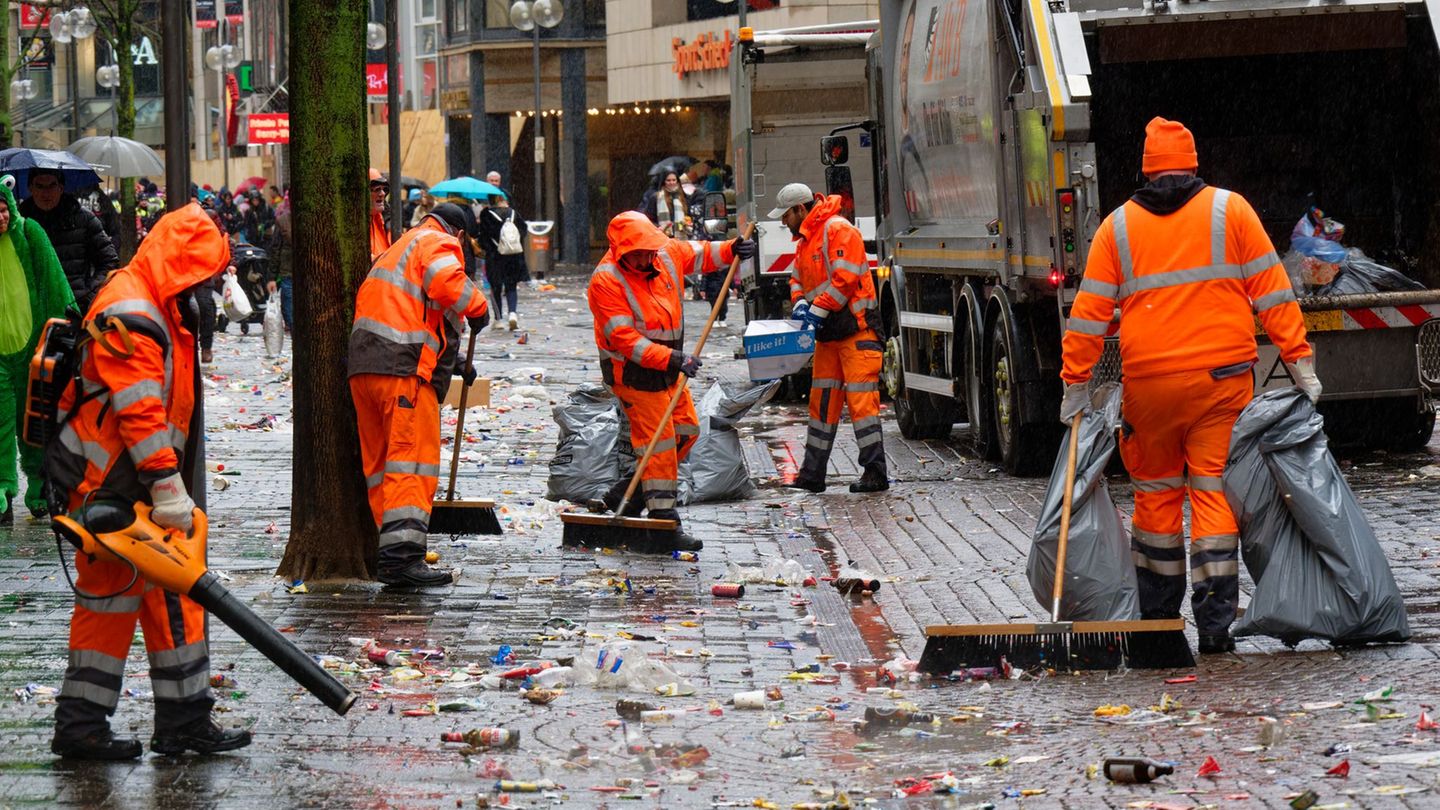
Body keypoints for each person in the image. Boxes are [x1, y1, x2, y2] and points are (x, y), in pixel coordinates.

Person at [1059, 117, 1317, 654]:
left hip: (1149, 387)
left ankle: (1158, 620)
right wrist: (1299, 360)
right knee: (1212, 492)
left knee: (1155, 494)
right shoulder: (1231, 211)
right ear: (1194, 164)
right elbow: (1273, 292)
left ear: (1146, 169)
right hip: (1221, 384)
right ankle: (1216, 625)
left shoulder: (1118, 228)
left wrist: (1075, 383)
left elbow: (1087, 316)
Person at [48, 203, 250, 760]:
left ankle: (174, 722)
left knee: (163, 602)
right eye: (201, 270)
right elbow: (138, 410)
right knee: (116, 602)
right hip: (113, 491)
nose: (205, 282)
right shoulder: (135, 310)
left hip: (122, 487)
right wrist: (167, 488)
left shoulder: (152, 301)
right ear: (181, 262)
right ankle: (90, 727)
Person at [585, 211, 755, 551]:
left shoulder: (664, 254)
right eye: (640, 253)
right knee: (659, 444)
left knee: (686, 431)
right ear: (621, 251)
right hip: (633, 374)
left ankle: (628, 492)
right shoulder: (606, 281)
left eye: (650, 250)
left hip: (666, 370)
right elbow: (624, 339)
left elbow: (700, 253)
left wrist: (732, 248)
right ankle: (663, 526)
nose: (648, 257)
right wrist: (674, 359)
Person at [348, 203, 490, 588]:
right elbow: (447, 284)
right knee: (411, 464)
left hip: (365, 370)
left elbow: (411, 314)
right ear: (459, 233)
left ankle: (391, 549)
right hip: (403, 374)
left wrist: (455, 360)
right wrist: (478, 308)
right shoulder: (437, 242)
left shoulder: (400, 247)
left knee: (381, 467)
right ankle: (401, 560)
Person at [775, 183, 888, 495]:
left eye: (786, 215)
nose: (783, 222)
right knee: (821, 405)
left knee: (862, 405)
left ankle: (875, 474)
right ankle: (811, 476)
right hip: (830, 335)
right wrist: (800, 303)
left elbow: (845, 280)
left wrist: (815, 312)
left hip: (857, 332)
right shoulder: (806, 240)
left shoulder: (838, 230)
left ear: (800, 209)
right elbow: (796, 278)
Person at [0, 176, 73, 523]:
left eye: (2, 209)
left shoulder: (30, 234)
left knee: (33, 420)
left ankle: (39, 483)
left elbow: (55, 282)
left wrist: (67, 326)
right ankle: (2, 487)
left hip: (31, 348)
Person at [19, 169, 120, 312]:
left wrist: (88, 296)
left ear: (61, 188)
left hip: (75, 308)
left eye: (51, 186)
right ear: (30, 189)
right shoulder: (18, 222)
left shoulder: (84, 220)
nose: (45, 193)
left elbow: (109, 261)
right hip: (30, 310)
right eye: (40, 186)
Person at [477, 193, 528, 330]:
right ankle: (512, 313)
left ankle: (499, 319)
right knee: (511, 286)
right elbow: (523, 230)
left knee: (495, 288)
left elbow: (483, 237)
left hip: (495, 257)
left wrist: (488, 247)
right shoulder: (513, 213)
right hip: (513, 256)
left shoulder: (486, 214)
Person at [640, 172, 690, 237]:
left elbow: (687, 216)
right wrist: (658, 227)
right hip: (662, 236)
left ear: (677, 182)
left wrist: (687, 223)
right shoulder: (656, 197)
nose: (671, 183)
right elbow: (649, 218)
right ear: (664, 182)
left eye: (674, 180)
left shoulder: (682, 197)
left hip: (680, 236)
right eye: (668, 180)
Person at [368, 168, 392, 260]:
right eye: (377, 189)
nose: (382, 193)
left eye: (384, 189)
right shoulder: (352, 226)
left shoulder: (387, 223)